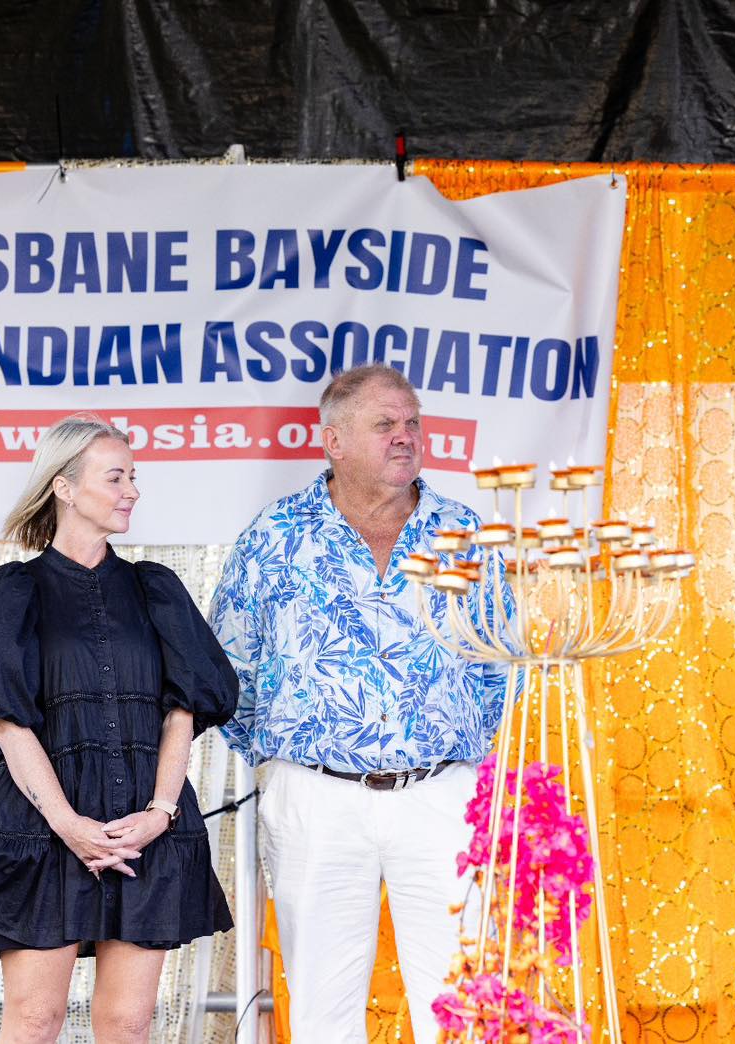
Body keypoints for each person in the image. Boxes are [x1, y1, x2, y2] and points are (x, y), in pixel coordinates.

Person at [0, 415, 237, 1044]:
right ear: (63, 486)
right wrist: (68, 824)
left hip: (144, 827)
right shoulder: (13, 592)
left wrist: (161, 812)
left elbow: (184, 710)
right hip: (41, 827)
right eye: (116, 477)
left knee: (127, 1023)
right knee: (36, 1021)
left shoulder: (156, 590)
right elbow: (7, 722)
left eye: (134, 477)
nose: (132, 491)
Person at [212, 363, 510, 1042]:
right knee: (323, 1010)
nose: (405, 436)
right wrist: (285, 762)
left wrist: (457, 760)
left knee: (462, 1007)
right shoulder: (276, 534)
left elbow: (502, 659)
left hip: (440, 793)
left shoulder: (463, 533)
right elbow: (228, 662)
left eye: (412, 422)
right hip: (315, 797)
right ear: (334, 440)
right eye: (385, 424)